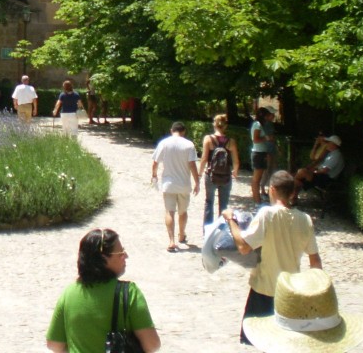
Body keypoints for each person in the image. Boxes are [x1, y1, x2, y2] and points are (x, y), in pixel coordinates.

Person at [222, 169, 322, 345]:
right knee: (285, 343)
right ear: (292, 193)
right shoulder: (305, 219)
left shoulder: (267, 214)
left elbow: (244, 246)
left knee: (259, 341)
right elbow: (315, 260)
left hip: (264, 289)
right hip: (290, 292)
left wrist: (231, 221)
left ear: (272, 189)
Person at [46, 228, 161, 353]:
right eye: (120, 253)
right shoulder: (129, 293)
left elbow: (54, 344)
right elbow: (152, 345)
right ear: (103, 258)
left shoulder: (69, 293)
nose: (126, 256)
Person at [151, 121, 200, 252]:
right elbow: (192, 165)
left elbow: (155, 162)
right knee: (183, 212)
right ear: (183, 131)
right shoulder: (189, 145)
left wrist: (154, 175)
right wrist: (197, 182)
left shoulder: (164, 143)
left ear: (171, 130)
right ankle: (182, 234)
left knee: (169, 211)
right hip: (184, 184)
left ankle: (171, 241)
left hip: (168, 184)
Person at [198, 113, 240, 225]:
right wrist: (234, 172)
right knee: (224, 205)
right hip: (226, 176)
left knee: (209, 202)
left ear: (214, 125)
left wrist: (200, 174)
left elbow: (204, 158)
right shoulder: (231, 141)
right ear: (225, 126)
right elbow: (236, 161)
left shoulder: (208, 139)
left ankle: (207, 230)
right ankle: (222, 231)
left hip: (211, 175)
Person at [293, 135, 345, 202]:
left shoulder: (336, 155)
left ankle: (292, 196)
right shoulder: (332, 153)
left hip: (327, 179)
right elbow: (317, 161)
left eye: (328, 142)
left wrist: (312, 172)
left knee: (302, 173)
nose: (327, 144)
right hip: (323, 176)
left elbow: (324, 170)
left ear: (333, 144)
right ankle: (293, 197)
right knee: (300, 175)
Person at [250, 107, 277, 205]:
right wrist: (267, 138)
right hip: (258, 153)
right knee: (256, 179)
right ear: (265, 116)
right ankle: (257, 201)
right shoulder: (257, 124)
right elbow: (255, 139)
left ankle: (258, 200)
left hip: (261, 153)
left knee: (258, 178)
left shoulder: (260, 124)